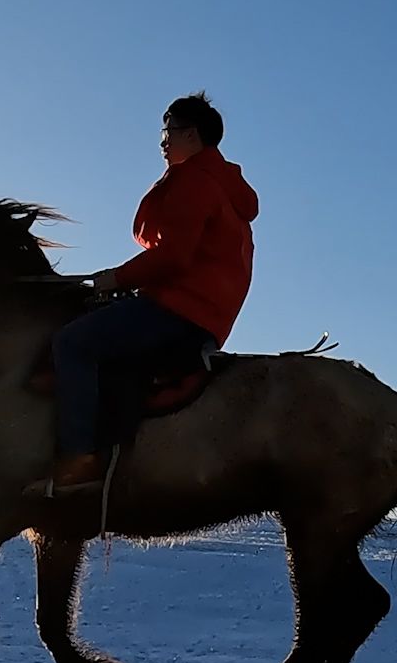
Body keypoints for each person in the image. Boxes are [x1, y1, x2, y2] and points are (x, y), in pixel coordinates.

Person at [27, 92, 259, 497]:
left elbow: (174, 256)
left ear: (190, 133)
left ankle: (81, 461)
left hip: (179, 309)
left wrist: (114, 279)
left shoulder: (195, 181)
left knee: (73, 342)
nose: (163, 142)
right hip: (206, 315)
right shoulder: (225, 190)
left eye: (167, 130)